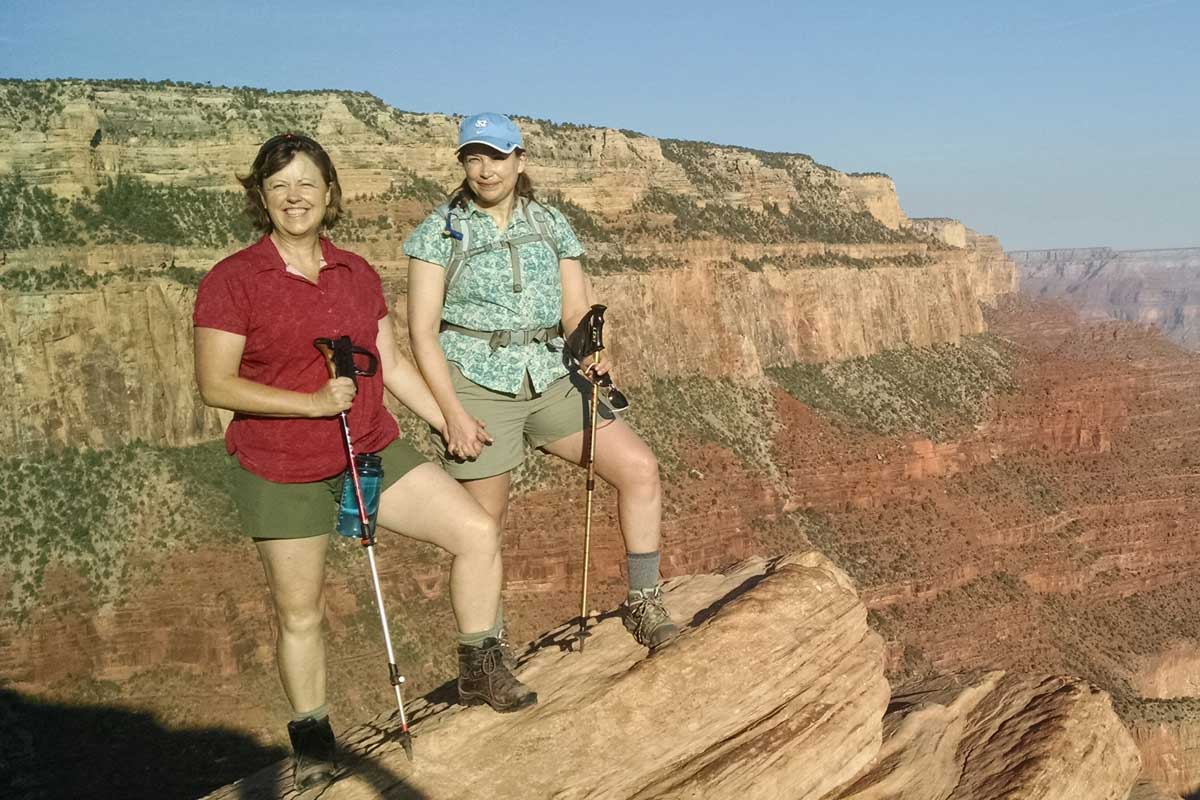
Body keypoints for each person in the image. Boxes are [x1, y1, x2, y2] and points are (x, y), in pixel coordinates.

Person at [192, 133, 535, 793]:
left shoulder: (355, 273)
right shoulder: (233, 280)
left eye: (307, 184)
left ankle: (479, 664)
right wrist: (313, 402)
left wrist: (448, 420)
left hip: (369, 446)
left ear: (329, 193)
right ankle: (314, 739)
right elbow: (216, 384)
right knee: (300, 612)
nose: (295, 197)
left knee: (476, 532)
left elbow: (395, 363)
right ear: (261, 197)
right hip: (281, 466)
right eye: (280, 186)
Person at [404, 113, 679, 652]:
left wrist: (592, 348)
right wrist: (450, 414)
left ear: (520, 160)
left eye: (497, 156)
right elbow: (421, 333)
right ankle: (487, 652)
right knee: (484, 527)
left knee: (640, 468)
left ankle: (644, 602)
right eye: (474, 157)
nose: (485, 170)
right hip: (477, 384)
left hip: (551, 373)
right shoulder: (438, 231)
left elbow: (575, 308)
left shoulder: (551, 224)